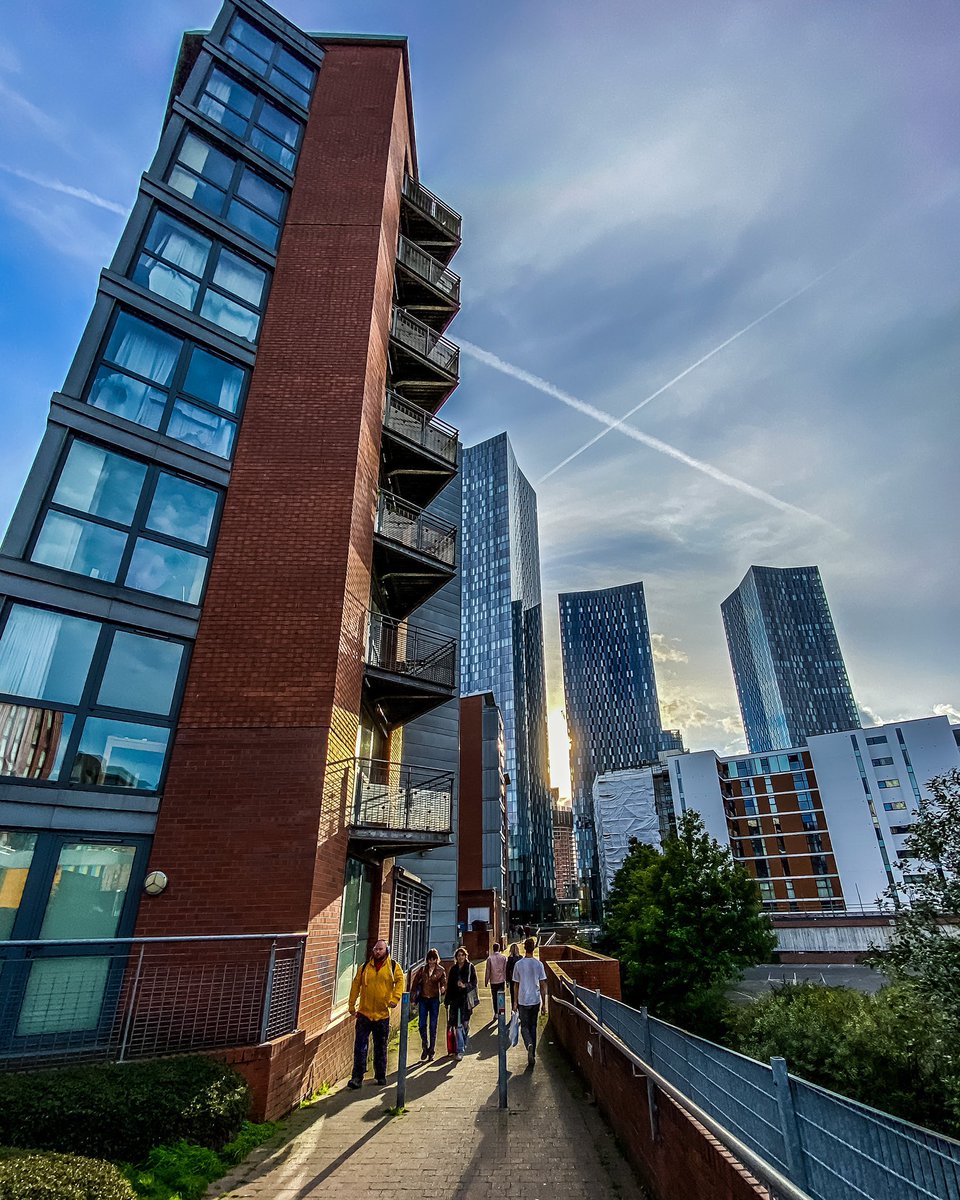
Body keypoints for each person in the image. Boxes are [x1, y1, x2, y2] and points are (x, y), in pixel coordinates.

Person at [347, 938, 403, 1089]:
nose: (377, 952)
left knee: (380, 1046)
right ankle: (357, 1077)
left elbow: (400, 981)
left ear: (386, 950)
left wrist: (395, 998)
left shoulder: (393, 966)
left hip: (382, 1015)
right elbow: (355, 985)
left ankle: (380, 1075)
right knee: (360, 1046)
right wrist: (351, 1005)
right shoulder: (365, 967)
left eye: (381, 949)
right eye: (376, 949)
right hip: (364, 1014)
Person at [511, 936, 548, 1067]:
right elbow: (543, 984)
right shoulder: (539, 964)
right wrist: (544, 1004)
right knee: (533, 1026)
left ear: (524, 948)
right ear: (533, 948)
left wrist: (514, 1002)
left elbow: (515, 985)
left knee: (524, 1027)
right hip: (535, 999)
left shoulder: (518, 965)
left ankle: (529, 1045)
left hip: (522, 1000)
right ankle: (532, 1053)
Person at [411, 948, 446, 1060]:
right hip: (423, 999)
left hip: (434, 1000)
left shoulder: (440, 970)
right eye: (430, 960)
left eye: (433, 959)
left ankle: (432, 1050)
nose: (431, 962)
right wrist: (413, 998)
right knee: (421, 1024)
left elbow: (444, 982)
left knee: (433, 1025)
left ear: (436, 960)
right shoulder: (422, 970)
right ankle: (424, 1045)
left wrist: (443, 988)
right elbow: (415, 983)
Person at [444, 945, 478, 1062]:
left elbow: (474, 982)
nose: (460, 957)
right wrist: (447, 1000)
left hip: (466, 1000)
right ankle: (460, 1050)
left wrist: (465, 986)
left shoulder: (470, 967)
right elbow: (449, 985)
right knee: (457, 1025)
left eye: (462, 955)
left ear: (465, 956)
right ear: (456, 957)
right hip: (455, 1000)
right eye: (458, 955)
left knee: (465, 1024)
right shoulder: (453, 969)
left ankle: (464, 1040)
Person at [483, 942, 508, 1021]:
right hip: (501, 980)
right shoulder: (504, 958)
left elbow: (488, 970)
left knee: (494, 997)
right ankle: (501, 1012)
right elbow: (505, 970)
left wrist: (486, 980)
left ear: (493, 948)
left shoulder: (490, 958)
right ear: (499, 948)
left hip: (493, 981)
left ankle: (496, 1013)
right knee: (501, 997)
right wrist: (506, 980)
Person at [505, 942, 522, 1014]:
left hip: (512, 979)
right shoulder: (520, 958)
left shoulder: (510, 959)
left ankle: (514, 1009)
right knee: (520, 995)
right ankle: (520, 1009)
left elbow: (507, 970)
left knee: (513, 994)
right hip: (520, 979)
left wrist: (507, 981)